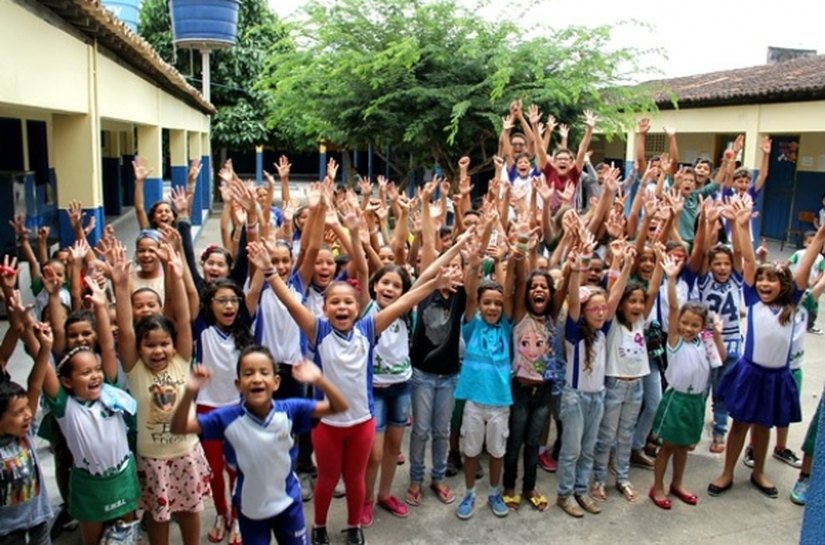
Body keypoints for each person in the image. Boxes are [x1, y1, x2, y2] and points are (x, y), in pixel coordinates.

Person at [246, 227, 462, 545]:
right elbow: (289, 302)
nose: (343, 307)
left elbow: (408, 300)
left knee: (355, 478)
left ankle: (353, 526)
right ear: (325, 308)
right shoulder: (317, 331)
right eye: (336, 302)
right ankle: (318, 526)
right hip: (328, 425)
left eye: (349, 302)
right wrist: (268, 271)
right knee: (328, 479)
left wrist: (435, 283)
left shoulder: (368, 328)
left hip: (362, 422)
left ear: (357, 307)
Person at [171, 346, 348, 545]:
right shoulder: (226, 418)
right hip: (250, 510)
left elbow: (340, 406)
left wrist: (319, 379)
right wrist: (189, 392)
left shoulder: (290, 411)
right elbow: (179, 428)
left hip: (289, 505)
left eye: (264, 372)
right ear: (238, 384)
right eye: (248, 373)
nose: (256, 378)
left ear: (276, 382)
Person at [708, 202, 825, 499]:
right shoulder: (753, 300)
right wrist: (741, 225)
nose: (764, 283)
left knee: (764, 425)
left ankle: (759, 470)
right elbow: (748, 259)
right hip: (750, 372)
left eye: (771, 279)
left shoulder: (793, 302)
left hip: (776, 376)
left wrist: (822, 233)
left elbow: (808, 262)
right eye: (761, 279)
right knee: (739, 425)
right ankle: (727, 472)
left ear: (786, 285)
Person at [113, 241, 211, 545]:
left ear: (174, 344)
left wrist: (176, 272)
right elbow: (127, 331)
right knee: (158, 517)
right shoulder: (135, 369)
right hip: (152, 459)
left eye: (163, 344)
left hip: (186, 453)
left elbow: (182, 320)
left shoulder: (182, 360)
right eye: (150, 345)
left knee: (189, 512)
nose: (158, 350)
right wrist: (119, 284)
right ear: (139, 348)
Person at [556, 242, 634, 518]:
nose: (601, 313)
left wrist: (624, 265)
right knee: (571, 450)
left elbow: (615, 294)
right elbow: (575, 300)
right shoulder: (575, 333)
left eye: (604, 309)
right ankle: (565, 494)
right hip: (575, 397)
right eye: (595, 309)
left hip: (597, 397)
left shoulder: (604, 330)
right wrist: (576, 270)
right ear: (584, 313)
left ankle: (581, 489)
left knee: (587, 449)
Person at [649, 256, 725, 509]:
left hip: (695, 401)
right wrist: (671, 278)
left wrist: (716, 335)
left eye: (695, 325)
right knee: (669, 446)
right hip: (676, 399)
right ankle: (657, 486)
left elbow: (720, 359)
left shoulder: (705, 342)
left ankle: (677, 483)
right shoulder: (675, 340)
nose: (688, 328)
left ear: (702, 326)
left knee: (683, 447)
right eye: (685, 323)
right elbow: (672, 308)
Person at [590, 247, 664, 504]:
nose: (637, 306)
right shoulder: (610, 325)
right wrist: (620, 261)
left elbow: (652, 290)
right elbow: (614, 291)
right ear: (620, 305)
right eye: (631, 302)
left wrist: (661, 264)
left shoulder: (641, 321)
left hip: (636, 387)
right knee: (606, 436)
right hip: (614, 386)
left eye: (640, 302)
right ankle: (599, 479)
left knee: (625, 435)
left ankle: (622, 477)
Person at [453, 239, 518, 520]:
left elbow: (508, 294)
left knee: (496, 451)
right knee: (470, 451)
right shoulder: (471, 326)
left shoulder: (506, 326)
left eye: (496, 304)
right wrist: (475, 267)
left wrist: (502, 262)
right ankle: (469, 493)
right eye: (486, 303)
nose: (492, 307)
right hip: (474, 403)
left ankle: (493, 492)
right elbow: (468, 296)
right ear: (479, 305)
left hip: (500, 403)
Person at [193, 279, 254, 544]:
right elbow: (187, 281)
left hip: (239, 410)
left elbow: (255, 282)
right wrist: (177, 258)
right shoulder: (201, 328)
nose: (229, 306)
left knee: (237, 470)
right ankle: (221, 513)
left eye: (234, 300)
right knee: (215, 470)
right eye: (222, 300)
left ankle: (239, 517)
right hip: (207, 408)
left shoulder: (245, 328)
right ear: (209, 304)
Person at [502, 267, 563, 512]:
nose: (538, 290)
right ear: (527, 293)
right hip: (521, 390)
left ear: (551, 294)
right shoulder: (520, 315)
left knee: (533, 443)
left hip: (544, 392)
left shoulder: (552, 317)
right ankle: (508, 487)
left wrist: (572, 264)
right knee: (515, 440)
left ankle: (529, 487)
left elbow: (567, 282)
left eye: (544, 287)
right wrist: (521, 254)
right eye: (534, 286)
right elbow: (519, 280)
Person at [0, 294, 53, 545]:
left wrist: (45, 349)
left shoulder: (26, 434)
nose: (28, 416)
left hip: (38, 520)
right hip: (7, 532)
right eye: (18, 413)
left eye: (26, 410)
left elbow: (34, 384)